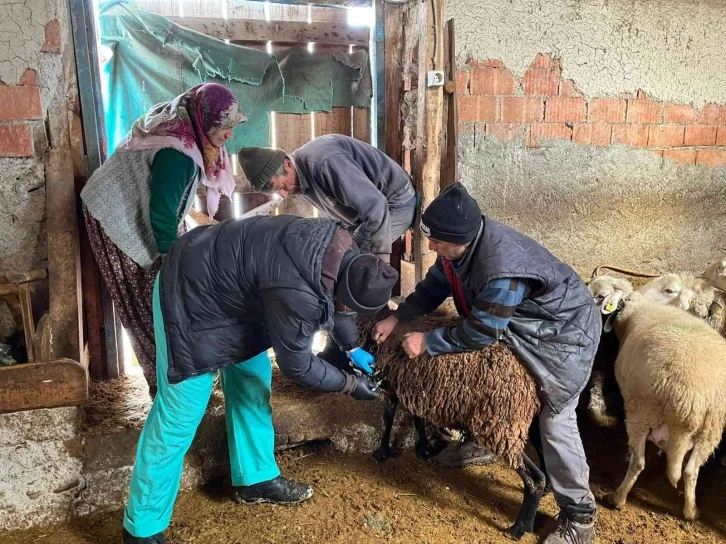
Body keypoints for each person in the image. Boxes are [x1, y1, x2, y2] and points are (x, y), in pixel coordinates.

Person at [122, 215, 397, 544]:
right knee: (179, 413)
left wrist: (351, 347)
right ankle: (142, 527)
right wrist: (351, 385)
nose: (348, 310)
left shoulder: (344, 252)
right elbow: (297, 365)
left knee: (252, 383)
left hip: (238, 294)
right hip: (190, 293)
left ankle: (256, 479)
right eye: (351, 305)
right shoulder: (296, 289)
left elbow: (336, 305)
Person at [373, 183, 600, 544]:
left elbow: (482, 331)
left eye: (436, 242)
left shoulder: (500, 267)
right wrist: (397, 317)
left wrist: (428, 342)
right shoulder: (457, 250)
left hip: (562, 333)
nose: (430, 247)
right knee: (486, 388)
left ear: (460, 240)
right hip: (521, 324)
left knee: (555, 417)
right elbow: (433, 288)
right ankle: (486, 440)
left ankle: (579, 518)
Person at [80, 83, 245, 395]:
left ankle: (180, 375)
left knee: (168, 286)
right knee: (149, 297)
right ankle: (166, 385)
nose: (229, 135)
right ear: (204, 120)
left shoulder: (186, 127)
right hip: (113, 214)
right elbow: (162, 212)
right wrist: (172, 261)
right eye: (224, 127)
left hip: (142, 207)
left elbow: (170, 208)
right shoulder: (178, 153)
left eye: (232, 126)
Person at [237, 134, 416, 262]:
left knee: (359, 262)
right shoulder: (300, 179)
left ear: (287, 164)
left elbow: (376, 205)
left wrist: (379, 259)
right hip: (367, 216)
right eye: (278, 192)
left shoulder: (324, 162)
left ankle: (373, 301)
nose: (284, 194)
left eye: (282, 187)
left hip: (396, 203)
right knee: (336, 256)